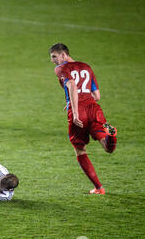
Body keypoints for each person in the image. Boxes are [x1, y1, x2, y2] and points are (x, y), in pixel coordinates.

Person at [49, 43, 118, 195]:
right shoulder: (86, 67)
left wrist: (74, 111)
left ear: (63, 55)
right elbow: (97, 96)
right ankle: (112, 136)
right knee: (107, 147)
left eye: (54, 57)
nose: (53, 61)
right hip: (93, 108)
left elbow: (72, 85)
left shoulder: (61, 68)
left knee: (80, 149)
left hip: (78, 110)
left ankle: (99, 188)